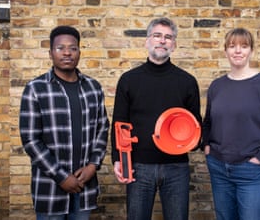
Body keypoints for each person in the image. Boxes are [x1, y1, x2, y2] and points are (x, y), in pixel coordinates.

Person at [111, 17, 202, 220]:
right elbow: (119, 122)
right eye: (157, 36)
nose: (162, 41)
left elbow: (196, 126)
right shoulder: (129, 80)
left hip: (176, 167)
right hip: (139, 166)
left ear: (174, 45)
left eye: (168, 37)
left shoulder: (187, 82)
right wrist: (118, 158)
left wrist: (192, 141)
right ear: (147, 41)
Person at [19, 25, 109, 220]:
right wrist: (61, 177)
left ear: (79, 52)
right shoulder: (35, 89)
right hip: (50, 190)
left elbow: (102, 128)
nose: (67, 53)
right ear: (50, 53)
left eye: (73, 48)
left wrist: (93, 165)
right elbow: (30, 140)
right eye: (60, 48)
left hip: (84, 186)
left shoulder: (93, 87)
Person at [202, 27, 260, 220]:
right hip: (219, 169)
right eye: (232, 46)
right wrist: (207, 147)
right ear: (225, 51)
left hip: (254, 173)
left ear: (251, 50)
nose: (238, 51)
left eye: (244, 46)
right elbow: (207, 122)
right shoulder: (217, 86)